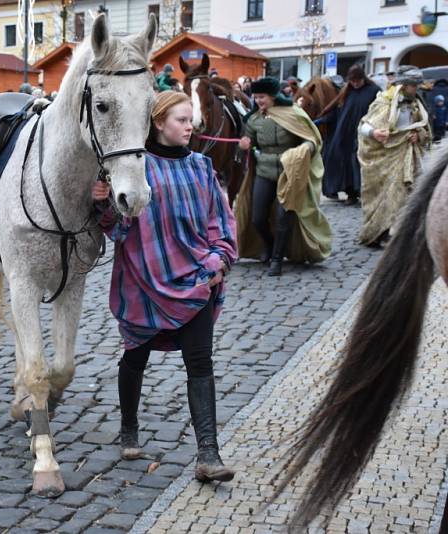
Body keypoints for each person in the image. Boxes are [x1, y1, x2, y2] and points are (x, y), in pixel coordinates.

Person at [92, 91, 237, 480]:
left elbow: (220, 222)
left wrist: (218, 260)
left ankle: (208, 454)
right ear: (158, 123)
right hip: (142, 279)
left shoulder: (202, 167)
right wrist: (102, 204)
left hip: (197, 279)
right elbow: (117, 227)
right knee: (135, 358)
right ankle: (129, 427)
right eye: (181, 120)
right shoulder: (136, 169)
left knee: (200, 363)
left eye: (191, 119)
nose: (190, 126)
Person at [236, 77, 332, 276]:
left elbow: (312, 140)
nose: (258, 101)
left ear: (272, 96)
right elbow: (249, 143)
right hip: (264, 172)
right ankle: (268, 245)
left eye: (262, 97)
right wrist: (244, 145)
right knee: (257, 218)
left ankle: (277, 259)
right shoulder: (253, 119)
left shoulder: (293, 114)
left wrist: (305, 148)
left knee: (283, 218)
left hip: (290, 173)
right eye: (256, 97)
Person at [357, 65, 431, 247]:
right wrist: (374, 133)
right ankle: (377, 232)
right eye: (414, 86)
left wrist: (418, 135)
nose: (417, 89)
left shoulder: (416, 104)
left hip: (407, 156)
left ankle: (403, 233)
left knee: (405, 194)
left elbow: (425, 130)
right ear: (404, 85)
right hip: (383, 158)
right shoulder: (384, 102)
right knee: (383, 195)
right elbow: (363, 126)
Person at [318, 64, 380, 204]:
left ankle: (362, 191)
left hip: (365, 133)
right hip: (344, 133)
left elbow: (380, 111)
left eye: (358, 80)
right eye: (352, 81)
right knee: (341, 162)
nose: (355, 83)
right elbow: (337, 110)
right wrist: (322, 120)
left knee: (358, 163)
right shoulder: (347, 91)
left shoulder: (374, 91)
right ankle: (349, 192)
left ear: (363, 78)